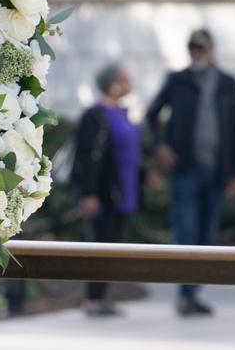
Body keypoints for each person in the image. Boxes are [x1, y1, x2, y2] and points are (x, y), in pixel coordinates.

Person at [146, 27, 235, 316]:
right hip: (186, 170)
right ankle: (185, 295)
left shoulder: (229, 85)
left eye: (201, 49)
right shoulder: (178, 81)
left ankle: (192, 293)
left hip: (217, 173)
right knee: (186, 233)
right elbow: (151, 116)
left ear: (212, 50)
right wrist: (160, 148)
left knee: (206, 236)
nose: (197, 53)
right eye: (193, 49)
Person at [72, 62, 145, 317]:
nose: (130, 81)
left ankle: (102, 298)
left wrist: (146, 176)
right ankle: (92, 300)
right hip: (102, 194)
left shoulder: (122, 112)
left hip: (123, 191)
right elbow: (86, 158)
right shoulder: (94, 115)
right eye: (126, 77)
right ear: (113, 84)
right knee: (98, 246)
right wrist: (88, 194)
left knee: (112, 246)